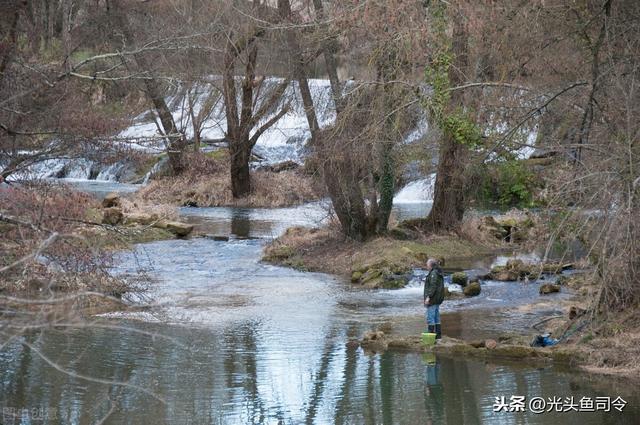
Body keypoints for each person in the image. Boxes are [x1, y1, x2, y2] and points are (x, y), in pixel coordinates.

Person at [423, 258, 444, 339]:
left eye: (427, 264)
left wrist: (428, 297)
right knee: (436, 316)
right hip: (437, 298)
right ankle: (438, 335)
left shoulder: (433, 273)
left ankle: (430, 334)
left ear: (431, 265)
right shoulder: (437, 272)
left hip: (433, 299)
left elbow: (433, 286)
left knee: (430, 316)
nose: (426, 266)